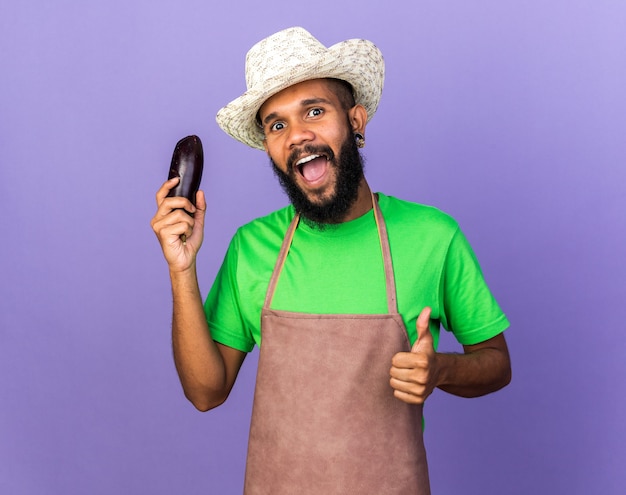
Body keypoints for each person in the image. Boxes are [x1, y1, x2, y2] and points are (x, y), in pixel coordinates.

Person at [151, 27, 511, 495]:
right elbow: (206, 392)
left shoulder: (432, 236)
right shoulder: (252, 246)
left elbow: (496, 363)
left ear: (356, 121)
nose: (298, 135)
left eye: (314, 112)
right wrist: (181, 269)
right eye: (277, 125)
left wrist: (439, 370)